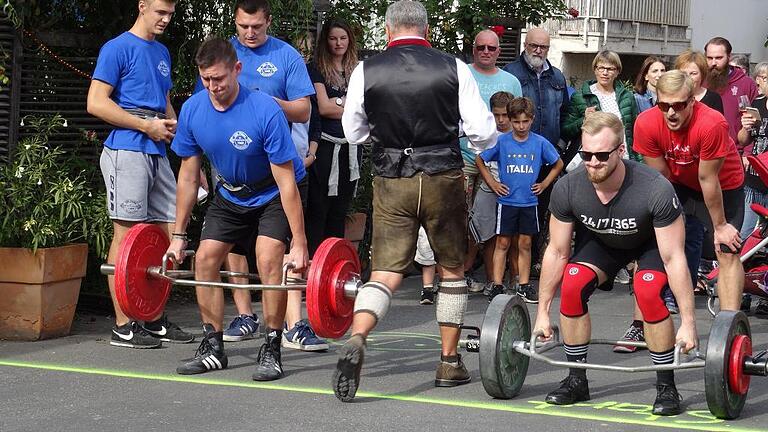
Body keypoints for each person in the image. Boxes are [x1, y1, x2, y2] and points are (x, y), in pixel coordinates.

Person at [334, 0, 497, 402]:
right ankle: (448, 362)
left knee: (386, 271)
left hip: (392, 177)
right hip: (442, 174)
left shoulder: (365, 69)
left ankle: (358, 337)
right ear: (426, 31)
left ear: (388, 31)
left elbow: (353, 131)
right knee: (452, 268)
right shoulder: (454, 67)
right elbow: (482, 132)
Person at [534, 111, 698, 416]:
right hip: (602, 243)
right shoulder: (569, 187)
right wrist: (542, 313)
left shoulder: (654, 188)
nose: (593, 162)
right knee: (572, 283)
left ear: (621, 150)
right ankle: (576, 380)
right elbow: (556, 252)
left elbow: (674, 258)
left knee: (647, 292)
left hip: (649, 244)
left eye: (601, 155)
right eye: (586, 154)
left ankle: (666, 385)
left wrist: (688, 324)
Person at [168, 37, 308, 379]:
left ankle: (272, 347)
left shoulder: (264, 109)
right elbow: (188, 177)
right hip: (230, 195)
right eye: (206, 80)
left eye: (220, 78)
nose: (214, 87)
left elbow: (287, 182)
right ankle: (213, 347)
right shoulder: (193, 110)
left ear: (238, 70)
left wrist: (300, 243)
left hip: (273, 191)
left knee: (268, 256)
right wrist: (177, 235)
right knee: (204, 258)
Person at [194, 0, 317, 346]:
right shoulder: (220, 55)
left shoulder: (286, 56)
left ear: (268, 22)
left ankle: (292, 323)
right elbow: (201, 113)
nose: (249, 33)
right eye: (242, 26)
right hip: (230, 167)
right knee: (226, 244)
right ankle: (244, 314)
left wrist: (260, 104)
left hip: (277, 166)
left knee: (275, 252)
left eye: (256, 27)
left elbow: (304, 110)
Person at [87, 0, 194, 348]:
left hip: (157, 149)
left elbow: (164, 106)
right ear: (142, 5)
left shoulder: (162, 52)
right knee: (127, 235)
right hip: (126, 149)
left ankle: (152, 318)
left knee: (165, 235)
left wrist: (186, 151)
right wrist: (144, 126)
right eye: (160, 12)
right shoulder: (117, 48)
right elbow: (96, 102)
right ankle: (122, 324)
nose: (165, 19)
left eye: (170, 14)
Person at [634, 70, 745, 314]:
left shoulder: (711, 123)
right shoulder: (646, 123)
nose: (671, 112)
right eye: (664, 105)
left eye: (679, 105)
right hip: (678, 183)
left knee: (726, 248)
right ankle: (641, 323)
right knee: (656, 245)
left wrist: (720, 226)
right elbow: (660, 178)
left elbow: (708, 178)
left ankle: (728, 327)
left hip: (723, 186)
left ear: (692, 101)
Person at [476, 96, 562, 303]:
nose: (521, 126)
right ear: (511, 120)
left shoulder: (539, 142)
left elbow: (558, 163)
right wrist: (493, 184)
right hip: (507, 202)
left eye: (525, 121)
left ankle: (523, 285)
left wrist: (544, 183)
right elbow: (481, 159)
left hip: (529, 202)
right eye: (516, 121)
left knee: (525, 244)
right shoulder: (503, 141)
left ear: (532, 119)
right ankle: (497, 285)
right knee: (502, 243)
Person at [503, 27, 570, 269]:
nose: (538, 51)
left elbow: (565, 114)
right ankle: (513, 267)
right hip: (518, 158)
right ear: (525, 45)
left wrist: (561, 144)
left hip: (547, 157)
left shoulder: (557, 77)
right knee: (513, 212)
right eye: (534, 46)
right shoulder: (511, 73)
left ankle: (531, 265)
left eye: (543, 47)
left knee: (542, 211)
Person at [460, 29, 522, 292]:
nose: (486, 52)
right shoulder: (462, 73)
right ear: (473, 49)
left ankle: (493, 279)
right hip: (464, 156)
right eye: (481, 47)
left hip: (500, 164)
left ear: (499, 52)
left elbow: (521, 119)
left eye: (492, 48)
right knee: (460, 220)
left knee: (494, 225)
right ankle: (459, 274)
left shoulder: (511, 81)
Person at [307, 19, 361, 255]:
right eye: (333, 38)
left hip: (351, 147)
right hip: (325, 147)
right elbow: (324, 108)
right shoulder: (316, 67)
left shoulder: (357, 69)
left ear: (349, 40)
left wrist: (337, 102)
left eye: (342, 38)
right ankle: (312, 268)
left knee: (340, 209)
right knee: (319, 208)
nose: (338, 43)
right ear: (325, 40)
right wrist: (347, 105)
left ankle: (333, 267)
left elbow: (365, 108)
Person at [470, 91, 516, 297]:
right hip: (490, 187)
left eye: (505, 115)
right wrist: (493, 183)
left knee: (515, 238)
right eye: (496, 115)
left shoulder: (519, 132)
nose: (501, 120)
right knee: (488, 237)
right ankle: (492, 281)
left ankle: (515, 280)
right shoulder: (487, 133)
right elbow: (480, 160)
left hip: (515, 190)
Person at [737, 62, 768, 317]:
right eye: (759, 77)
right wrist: (746, 127)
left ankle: (765, 292)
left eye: (765, 78)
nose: (759, 82)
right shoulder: (756, 104)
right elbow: (742, 140)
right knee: (746, 236)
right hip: (753, 180)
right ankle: (742, 291)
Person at [704, 37, 759, 143]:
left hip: (735, 150)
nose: (713, 63)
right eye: (709, 58)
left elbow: (755, 123)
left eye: (719, 58)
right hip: (705, 148)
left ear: (729, 57)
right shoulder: (701, 82)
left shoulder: (746, 84)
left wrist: (747, 152)